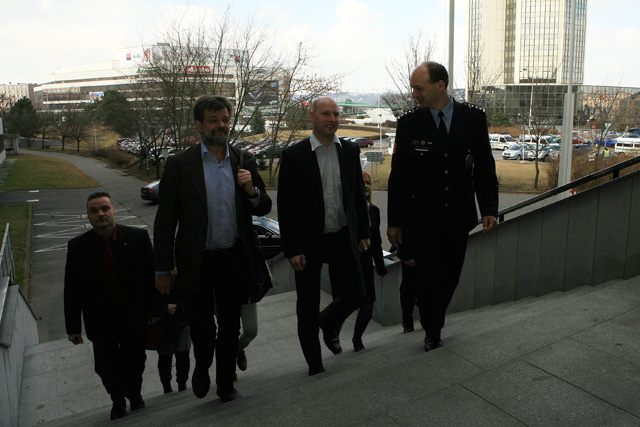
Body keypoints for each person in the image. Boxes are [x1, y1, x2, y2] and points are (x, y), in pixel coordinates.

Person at [153, 95, 272, 402]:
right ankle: (202, 366)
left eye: (225, 120)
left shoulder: (243, 160)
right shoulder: (180, 165)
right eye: (214, 120)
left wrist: (251, 190)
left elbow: (264, 206)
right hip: (197, 262)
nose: (221, 125)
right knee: (202, 329)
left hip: (233, 258)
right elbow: (165, 221)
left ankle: (225, 384)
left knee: (231, 326)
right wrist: (162, 268)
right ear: (199, 125)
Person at [387, 61, 499, 352]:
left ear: (439, 86)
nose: (414, 94)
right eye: (413, 88)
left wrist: (489, 208)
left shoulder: (473, 118)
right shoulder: (409, 123)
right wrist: (395, 222)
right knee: (428, 279)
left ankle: (432, 317)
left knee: (450, 277)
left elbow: (484, 167)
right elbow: (399, 177)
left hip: (458, 216)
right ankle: (432, 330)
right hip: (422, 218)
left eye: (419, 88)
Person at [277, 96, 371, 375]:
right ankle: (315, 365)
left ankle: (328, 321)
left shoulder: (349, 151)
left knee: (357, 293)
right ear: (312, 117)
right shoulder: (294, 155)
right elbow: (286, 206)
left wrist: (363, 231)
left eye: (336, 114)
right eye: (326, 114)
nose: (332, 119)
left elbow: (357, 194)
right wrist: (293, 248)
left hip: (342, 235)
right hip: (309, 241)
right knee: (307, 305)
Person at [64, 192, 161, 421]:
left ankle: (134, 395)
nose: (100, 214)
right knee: (105, 366)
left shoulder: (137, 237)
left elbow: (152, 276)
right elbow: (72, 289)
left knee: (135, 361)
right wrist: (73, 327)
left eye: (105, 208)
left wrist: (156, 310)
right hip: (100, 320)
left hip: (133, 316)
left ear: (114, 210)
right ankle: (117, 401)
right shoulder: (78, 247)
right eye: (94, 211)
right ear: (88, 215)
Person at [352, 170, 387, 352]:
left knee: (368, 304)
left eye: (368, 183)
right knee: (349, 301)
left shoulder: (374, 210)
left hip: (366, 264)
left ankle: (357, 338)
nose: (366, 186)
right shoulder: (350, 210)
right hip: (351, 263)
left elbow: (377, 241)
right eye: (362, 183)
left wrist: (380, 266)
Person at [156, 289, 191, 394]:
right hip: (163, 322)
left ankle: (182, 383)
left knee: (183, 354)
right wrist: (163, 307)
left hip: (182, 318)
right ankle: (167, 386)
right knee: (165, 356)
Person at [235, 302, 257, 378]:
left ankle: (238, 350)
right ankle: (228, 367)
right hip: (223, 297)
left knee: (251, 331)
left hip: (247, 297)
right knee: (228, 332)